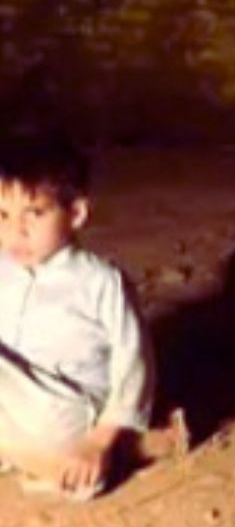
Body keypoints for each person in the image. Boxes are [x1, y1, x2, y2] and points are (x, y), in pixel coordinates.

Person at [0, 142, 182, 500]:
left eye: (34, 214)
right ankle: (103, 456)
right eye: (3, 215)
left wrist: (99, 440)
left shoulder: (100, 282)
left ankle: (91, 456)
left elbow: (134, 364)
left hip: (65, 415)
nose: (16, 231)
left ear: (76, 213)